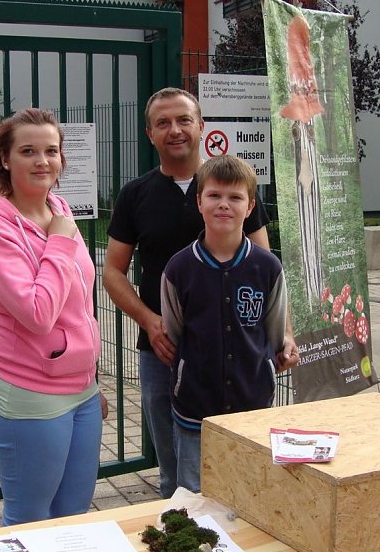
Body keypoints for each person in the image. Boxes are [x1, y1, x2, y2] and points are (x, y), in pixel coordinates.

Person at [103, 88, 299, 498]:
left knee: (245, 465)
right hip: (165, 349)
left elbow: (266, 273)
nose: (174, 130)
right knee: (178, 471)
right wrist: (149, 321)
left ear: (201, 127)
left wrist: (286, 335)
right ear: (150, 134)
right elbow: (113, 273)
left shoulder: (232, 183)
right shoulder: (135, 195)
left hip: (240, 356)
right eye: (163, 123)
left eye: (183, 120)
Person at [0, 108, 106, 526]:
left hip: (80, 390)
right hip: (29, 394)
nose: (42, 161)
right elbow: (38, 313)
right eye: (28, 151)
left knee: (72, 515)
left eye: (51, 150)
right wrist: (61, 242)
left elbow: (79, 302)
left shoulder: (58, 209)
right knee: (31, 520)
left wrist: (90, 378)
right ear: (5, 159)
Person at [160, 155, 289, 492]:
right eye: (215, 195)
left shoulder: (268, 267)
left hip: (253, 403)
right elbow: (174, 331)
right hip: (195, 407)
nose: (224, 205)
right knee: (193, 493)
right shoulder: (179, 269)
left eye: (235, 197)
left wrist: (279, 350)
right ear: (199, 201)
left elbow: (274, 329)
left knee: (251, 491)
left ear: (250, 207)